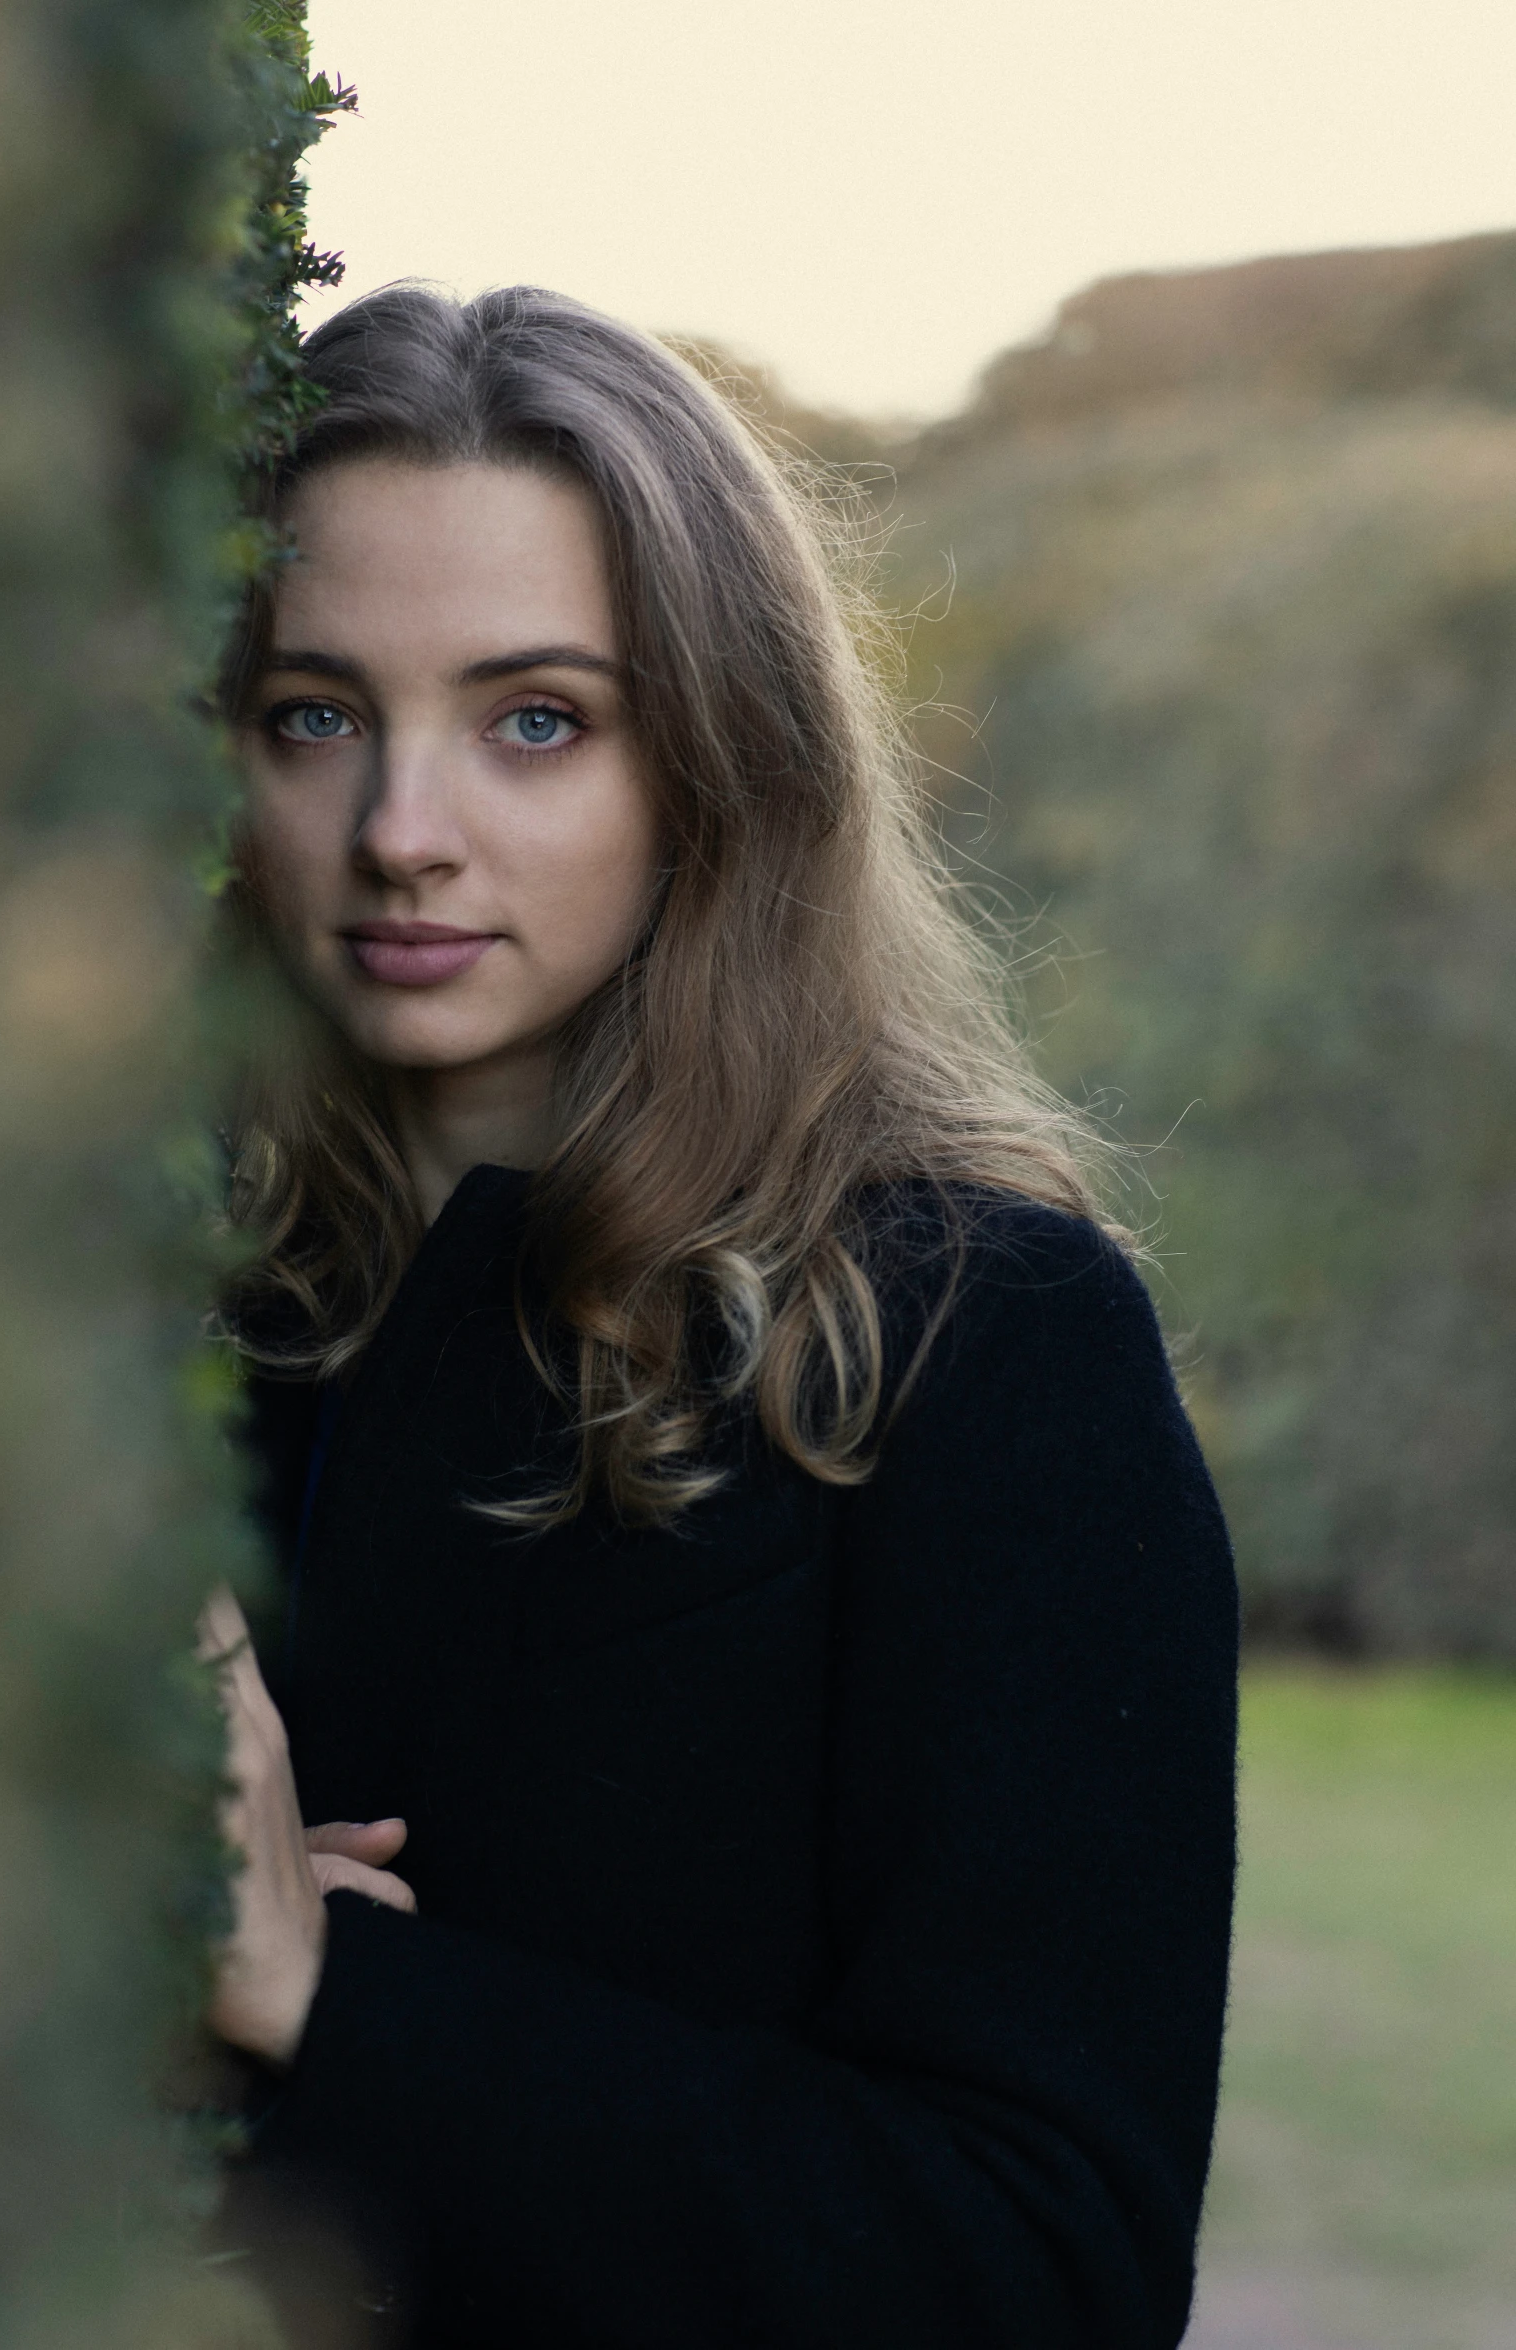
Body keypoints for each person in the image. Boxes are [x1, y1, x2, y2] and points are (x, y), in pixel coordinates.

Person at [203, 283, 1239, 2350]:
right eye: (315, 711)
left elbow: (1046, 2263)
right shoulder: (133, 1324)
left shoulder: (984, 1345)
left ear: (715, 759)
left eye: (535, 719)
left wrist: (318, 1988)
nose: (406, 833)